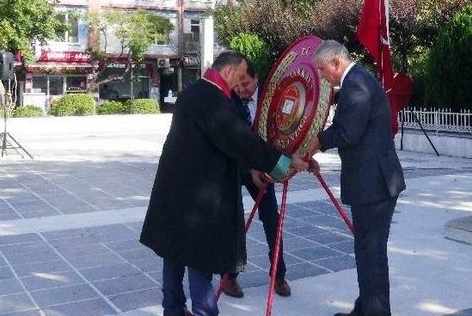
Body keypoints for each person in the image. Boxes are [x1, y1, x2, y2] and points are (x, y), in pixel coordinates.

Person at [140, 51, 308, 316]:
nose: (239, 85)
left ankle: (173, 309)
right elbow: (243, 143)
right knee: (199, 258)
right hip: (198, 197)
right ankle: (203, 311)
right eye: (239, 77)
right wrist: (285, 162)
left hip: (173, 190)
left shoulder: (193, 92)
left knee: (173, 253)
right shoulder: (214, 101)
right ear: (228, 72)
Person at [307, 40, 406, 316]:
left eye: (322, 69)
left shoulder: (357, 84)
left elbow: (348, 132)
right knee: (368, 252)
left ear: (336, 63)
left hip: (374, 185)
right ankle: (365, 309)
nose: (322, 75)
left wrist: (318, 140)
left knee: (371, 254)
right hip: (373, 181)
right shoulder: (357, 81)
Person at [222, 62, 291, 298]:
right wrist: (249, 167)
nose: (241, 89)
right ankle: (230, 276)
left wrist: (280, 165)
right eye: (238, 85)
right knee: (233, 220)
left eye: (247, 84)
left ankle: (279, 274)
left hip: (263, 168)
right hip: (234, 166)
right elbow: (231, 139)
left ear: (257, 78)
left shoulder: (272, 98)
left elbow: (284, 131)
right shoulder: (227, 99)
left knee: (272, 218)